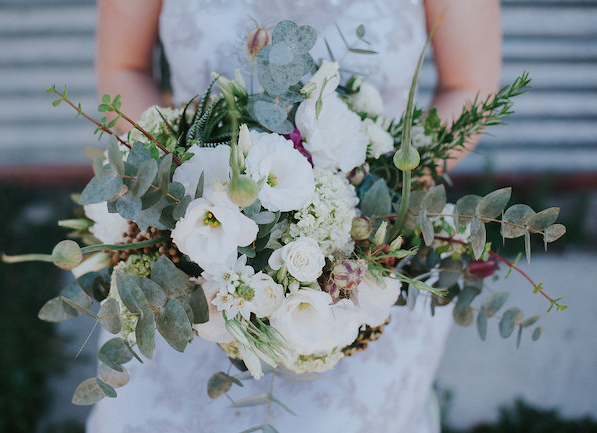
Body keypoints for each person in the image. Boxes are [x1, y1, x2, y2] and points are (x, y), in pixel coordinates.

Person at [87, 1, 501, 432]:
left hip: (359, 270)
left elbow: (470, 86)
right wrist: (174, 194)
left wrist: (383, 191)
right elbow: (124, 66)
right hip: (187, 263)